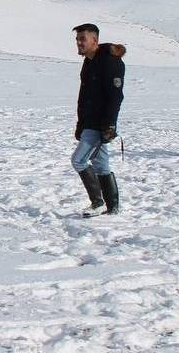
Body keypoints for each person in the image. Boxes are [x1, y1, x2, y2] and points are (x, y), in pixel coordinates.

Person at [71, 23, 126, 217]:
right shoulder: (89, 61)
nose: (78, 43)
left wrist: (110, 125)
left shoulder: (110, 62)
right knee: (102, 166)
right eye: (77, 39)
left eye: (82, 39)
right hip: (89, 122)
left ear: (95, 41)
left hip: (100, 125)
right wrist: (80, 124)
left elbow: (115, 96)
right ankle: (113, 207)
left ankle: (98, 202)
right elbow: (84, 96)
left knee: (78, 160)